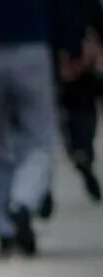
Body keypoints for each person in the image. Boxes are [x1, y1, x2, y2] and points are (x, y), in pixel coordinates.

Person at [0, 0, 85, 257]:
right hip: (32, 49)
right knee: (39, 139)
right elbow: (64, 9)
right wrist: (72, 46)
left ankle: (4, 229)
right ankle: (23, 201)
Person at [59, 0, 103, 202]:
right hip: (85, 57)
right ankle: (84, 151)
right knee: (86, 111)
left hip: (62, 58)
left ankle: (78, 152)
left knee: (69, 112)